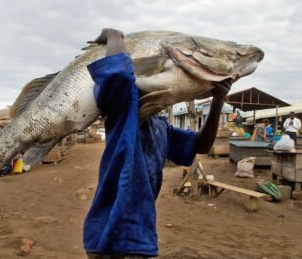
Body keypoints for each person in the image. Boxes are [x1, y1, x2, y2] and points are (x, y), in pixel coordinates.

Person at [83, 28, 232, 258]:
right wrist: (114, 36)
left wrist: (217, 102)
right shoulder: (123, 112)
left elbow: (200, 146)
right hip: (107, 234)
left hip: (140, 237)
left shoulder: (161, 127)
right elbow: (118, 76)